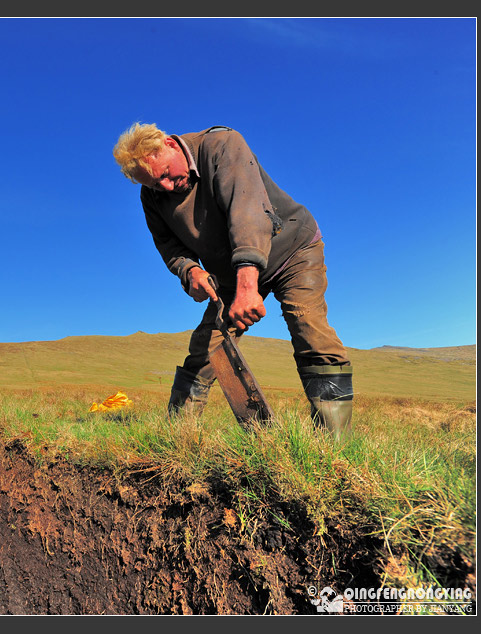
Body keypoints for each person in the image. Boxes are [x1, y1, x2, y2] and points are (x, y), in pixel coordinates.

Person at [112, 123, 353, 436]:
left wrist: (248, 288)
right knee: (205, 350)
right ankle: (177, 438)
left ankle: (333, 446)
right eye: (158, 185)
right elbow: (168, 246)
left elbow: (248, 213)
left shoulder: (222, 146)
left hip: (291, 248)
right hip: (228, 270)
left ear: (171, 145)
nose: (168, 187)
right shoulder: (152, 196)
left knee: (308, 326)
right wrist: (191, 271)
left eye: (167, 174)